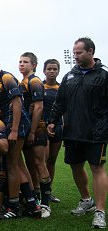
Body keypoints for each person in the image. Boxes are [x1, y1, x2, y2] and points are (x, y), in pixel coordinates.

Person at [47, 37, 108, 229]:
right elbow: (60, 102)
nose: (75, 56)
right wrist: (52, 121)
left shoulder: (103, 75)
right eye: (73, 53)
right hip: (72, 131)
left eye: (79, 52)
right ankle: (86, 199)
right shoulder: (69, 76)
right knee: (75, 166)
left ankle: (100, 211)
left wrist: (103, 127)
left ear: (90, 51)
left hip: (96, 131)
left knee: (97, 168)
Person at [0, 53, 40, 219]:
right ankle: (33, 205)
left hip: (17, 126)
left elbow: (17, 103)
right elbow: (4, 108)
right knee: (19, 165)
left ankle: (13, 206)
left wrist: (13, 130)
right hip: (14, 125)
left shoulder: (6, 78)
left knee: (12, 165)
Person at [19, 52, 52, 218]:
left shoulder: (35, 81)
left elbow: (39, 108)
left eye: (25, 62)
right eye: (20, 61)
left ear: (33, 65)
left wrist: (32, 131)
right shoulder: (22, 82)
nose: (21, 64)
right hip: (25, 130)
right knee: (30, 165)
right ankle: (36, 199)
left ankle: (46, 203)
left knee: (40, 163)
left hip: (36, 129)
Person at [42, 59, 62, 203]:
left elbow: (66, 109)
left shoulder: (62, 88)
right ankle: (40, 191)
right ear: (44, 71)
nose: (52, 71)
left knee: (52, 161)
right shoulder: (39, 86)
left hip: (58, 127)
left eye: (55, 69)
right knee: (44, 159)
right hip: (42, 127)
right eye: (49, 69)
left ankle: (48, 192)